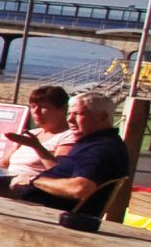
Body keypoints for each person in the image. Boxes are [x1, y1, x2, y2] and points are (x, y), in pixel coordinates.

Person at [8, 88, 131, 217]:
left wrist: (34, 180)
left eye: (78, 114)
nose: (70, 119)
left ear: (102, 117)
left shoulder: (101, 148)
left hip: (45, 213)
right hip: (34, 203)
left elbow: (80, 188)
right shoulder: (91, 143)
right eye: (69, 114)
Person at [1, 84, 77, 178]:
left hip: (33, 184)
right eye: (33, 107)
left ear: (62, 109)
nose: (36, 111)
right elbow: (3, 163)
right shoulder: (32, 133)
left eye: (43, 107)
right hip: (8, 180)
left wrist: (37, 146)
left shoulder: (69, 136)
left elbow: (59, 173)